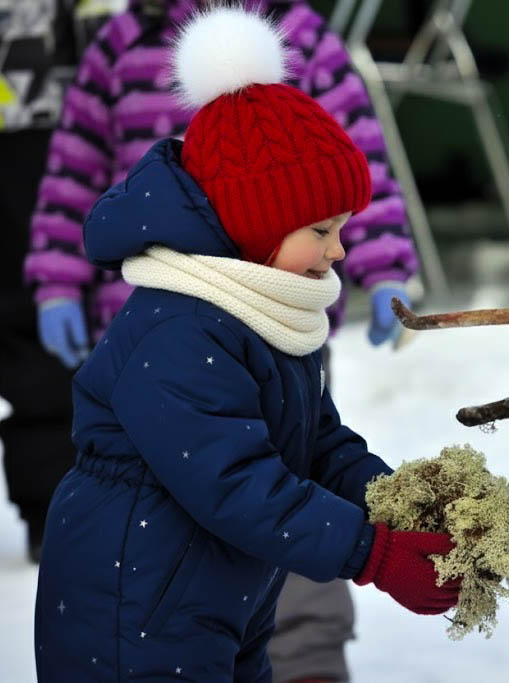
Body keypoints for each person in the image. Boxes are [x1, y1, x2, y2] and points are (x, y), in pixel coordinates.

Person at [33, 6, 458, 681]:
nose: (339, 248)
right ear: (258, 224)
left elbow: (316, 442)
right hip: (135, 616)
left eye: (343, 227)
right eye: (321, 230)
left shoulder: (263, 315)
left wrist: (397, 500)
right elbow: (239, 483)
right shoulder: (180, 332)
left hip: (212, 603)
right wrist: (375, 554)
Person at [0, 0, 114, 564]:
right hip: (17, 95)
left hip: (84, 93)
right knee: (28, 304)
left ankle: (70, 497)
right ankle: (52, 500)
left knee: (76, 292)